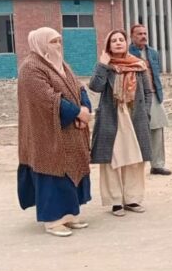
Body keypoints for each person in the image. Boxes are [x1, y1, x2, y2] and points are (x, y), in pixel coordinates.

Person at [17, 27, 92, 237]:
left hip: (71, 130)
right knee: (52, 173)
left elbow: (79, 87)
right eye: (52, 41)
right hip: (47, 133)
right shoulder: (31, 67)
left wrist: (85, 109)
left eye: (59, 40)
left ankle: (69, 216)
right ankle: (53, 220)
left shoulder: (60, 64)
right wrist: (78, 113)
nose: (58, 45)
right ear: (40, 43)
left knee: (70, 173)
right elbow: (47, 99)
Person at [89, 29, 153, 216]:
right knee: (112, 159)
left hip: (134, 117)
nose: (118, 43)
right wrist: (102, 65)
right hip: (112, 117)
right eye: (113, 40)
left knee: (134, 157)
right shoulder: (105, 65)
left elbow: (148, 92)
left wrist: (146, 113)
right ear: (108, 45)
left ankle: (132, 199)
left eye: (121, 40)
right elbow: (95, 87)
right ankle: (115, 201)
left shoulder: (138, 65)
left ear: (126, 43)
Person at [129, 24, 171, 176]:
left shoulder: (153, 52)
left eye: (145, 33)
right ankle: (135, 166)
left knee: (158, 129)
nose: (143, 36)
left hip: (154, 94)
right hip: (136, 97)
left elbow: (156, 74)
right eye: (139, 34)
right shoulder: (127, 53)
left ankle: (157, 164)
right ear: (132, 36)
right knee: (136, 130)